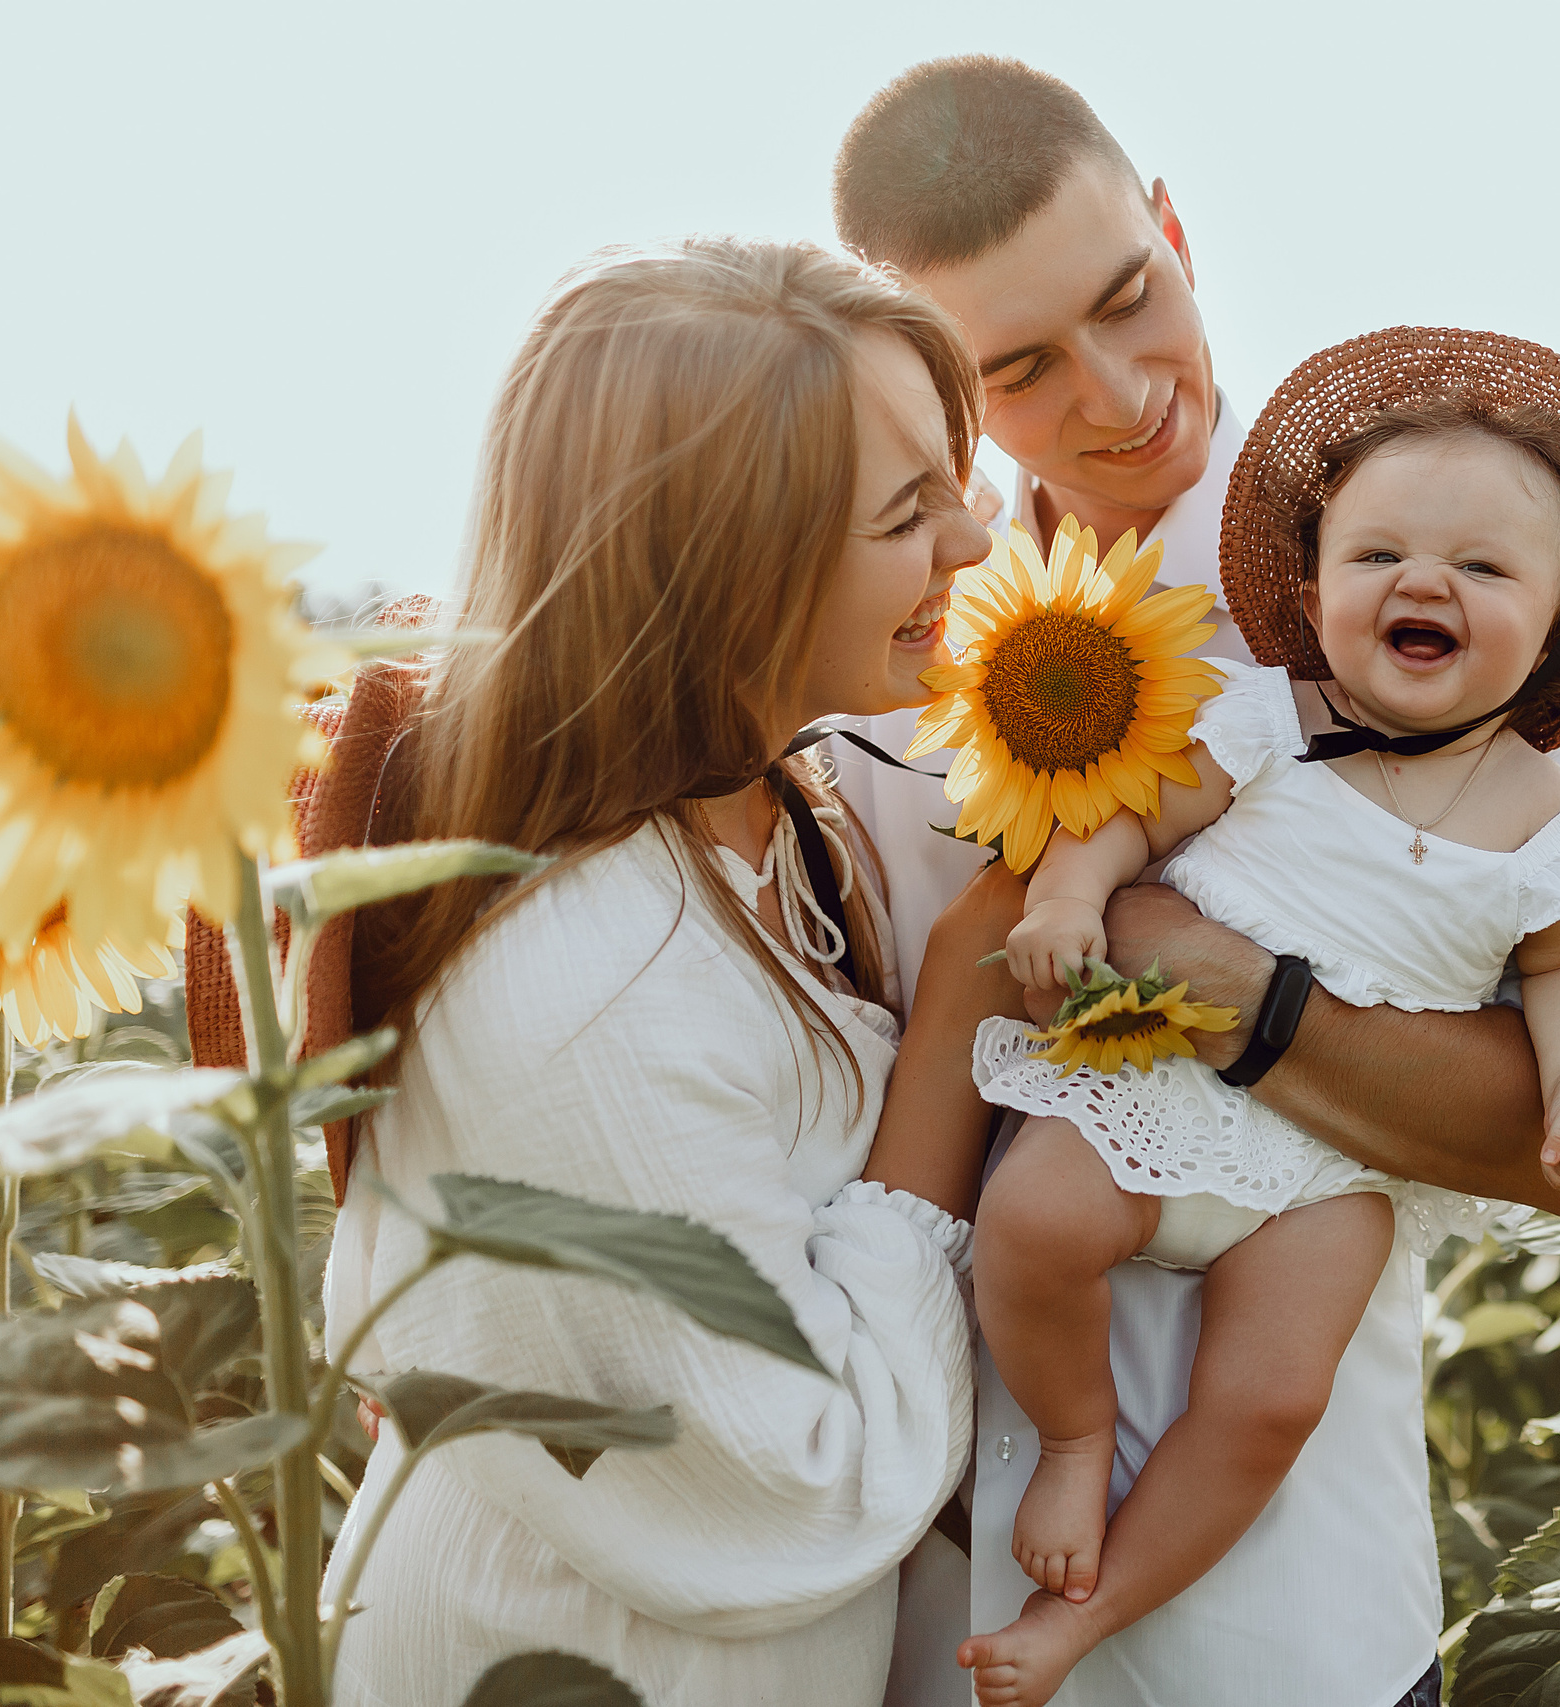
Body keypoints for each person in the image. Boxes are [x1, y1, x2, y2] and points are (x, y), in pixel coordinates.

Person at [834, 58, 1560, 1707]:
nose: (1112, 394)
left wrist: (1221, 980)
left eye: (1128, 299)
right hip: (925, 1577)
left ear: (1171, 224)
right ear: (931, 390)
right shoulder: (905, 638)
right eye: (1017, 369)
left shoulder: (1422, 584)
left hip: (1280, 1603)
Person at [318, 238, 1026, 1707]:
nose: (970, 542)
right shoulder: (585, 984)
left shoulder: (777, 801)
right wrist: (958, 1020)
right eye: (910, 511)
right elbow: (802, 1476)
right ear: (726, 572)